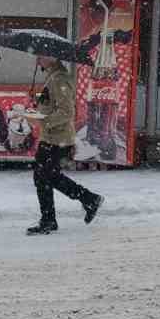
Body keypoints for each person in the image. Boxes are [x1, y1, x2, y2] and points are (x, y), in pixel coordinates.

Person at [28, 55, 104, 236]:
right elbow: (50, 102)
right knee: (43, 177)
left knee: (47, 176)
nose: (37, 61)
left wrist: (44, 122)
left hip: (57, 138)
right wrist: (37, 103)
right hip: (50, 137)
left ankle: (88, 199)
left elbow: (66, 112)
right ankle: (51, 218)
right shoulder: (53, 77)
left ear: (52, 58)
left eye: (40, 57)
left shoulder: (60, 79)